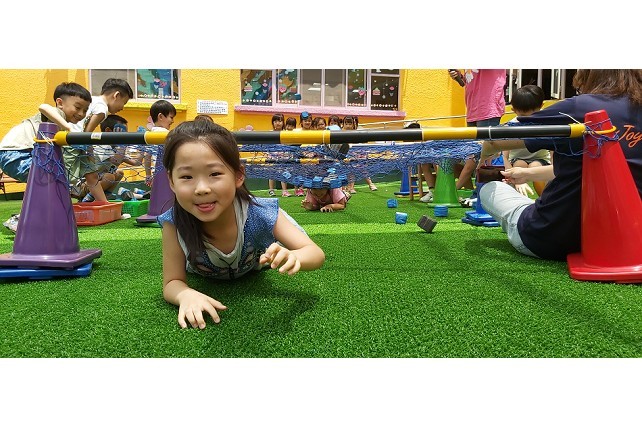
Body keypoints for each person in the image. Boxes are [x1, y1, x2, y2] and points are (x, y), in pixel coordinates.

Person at [158, 120, 325, 329]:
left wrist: (295, 256)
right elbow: (171, 282)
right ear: (172, 181)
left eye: (215, 174)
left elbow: (315, 253)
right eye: (186, 176)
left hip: (256, 263)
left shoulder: (261, 213)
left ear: (238, 175)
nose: (201, 188)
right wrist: (185, 295)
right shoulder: (174, 222)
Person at [477, 69, 642, 261]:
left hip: (552, 237)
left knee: (489, 189)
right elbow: (596, 171)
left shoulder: (580, 107)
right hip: (626, 241)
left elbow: (495, 141)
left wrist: (484, 155)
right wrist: (527, 174)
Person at [0, 82, 91, 182]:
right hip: (16, 153)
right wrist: (68, 127)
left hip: (17, 153)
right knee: (50, 177)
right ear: (60, 103)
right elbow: (43, 107)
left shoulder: (59, 122)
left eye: (85, 110)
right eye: (77, 108)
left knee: (50, 177)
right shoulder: (58, 114)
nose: (81, 113)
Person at [62, 78, 133, 202]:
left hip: (76, 142)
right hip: (75, 143)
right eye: (124, 102)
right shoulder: (102, 109)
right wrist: (90, 155)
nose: (122, 107)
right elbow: (87, 134)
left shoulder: (93, 100)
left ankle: (103, 203)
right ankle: (64, 204)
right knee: (68, 177)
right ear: (116, 95)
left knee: (92, 177)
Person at [449, 69, 506, 191]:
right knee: (475, 154)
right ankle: (477, 191)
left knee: (485, 154)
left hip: (488, 108)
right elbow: (470, 80)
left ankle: (484, 192)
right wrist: (460, 77)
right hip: (473, 108)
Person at [501, 85, 551, 196]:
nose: (529, 119)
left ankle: (545, 199)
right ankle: (520, 198)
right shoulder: (511, 126)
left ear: (541, 106)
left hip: (540, 160)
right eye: (523, 116)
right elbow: (503, 156)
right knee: (519, 164)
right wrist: (513, 176)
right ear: (513, 110)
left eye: (533, 115)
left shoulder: (547, 124)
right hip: (517, 160)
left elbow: (554, 152)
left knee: (535, 167)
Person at [81, 115, 143, 202]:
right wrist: (124, 144)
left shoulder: (117, 149)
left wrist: (142, 148)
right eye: (122, 132)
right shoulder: (102, 145)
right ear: (108, 131)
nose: (125, 136)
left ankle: (105, 196)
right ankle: (88, 199)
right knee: (109, 177)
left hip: (99, 182)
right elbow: (116, 161)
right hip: (86, 185)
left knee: (119, 173)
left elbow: (136, 163)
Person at [144, 99, 176, 186]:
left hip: (155, 174)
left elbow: (147, 157)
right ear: (161, 116)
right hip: (167, 173)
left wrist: (148, 175)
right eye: (171, 117)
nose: (173, 121)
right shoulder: (167, 134)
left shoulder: (150, 135)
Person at [343, 115, 377, 193]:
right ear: (343, 124)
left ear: (353, 124)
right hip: (347, 154)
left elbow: (360, 143)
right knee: (350, 171)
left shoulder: (356, 133)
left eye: (350, 124)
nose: (348, 126)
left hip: (358, 154)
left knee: (363, 169)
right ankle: (350, 187)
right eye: (346, 123)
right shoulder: (341, 133)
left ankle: (370, 184)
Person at [267, 113, 290, 197]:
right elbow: (268, 145)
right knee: (272, 173)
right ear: (273, 123)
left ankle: (284, 190)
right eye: (275, 121)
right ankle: (271, 190)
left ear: (283, 122)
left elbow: (288, 144)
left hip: (283, 156)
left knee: (284, 173)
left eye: (280, 121)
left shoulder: (285, 133)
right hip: (272, 156)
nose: (278, 123)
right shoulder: (270, 133)